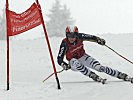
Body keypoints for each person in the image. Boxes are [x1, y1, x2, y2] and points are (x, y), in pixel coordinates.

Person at [57, 26, 132, 83]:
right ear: (66, 35)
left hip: (83, 57)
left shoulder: (80, 36)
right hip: (73, 62)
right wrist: (64, 64)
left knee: (100, 68)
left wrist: (99, 40)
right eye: (69, 36)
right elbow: (59, 58)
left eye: (73, 36)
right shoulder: (65, 43)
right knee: (76, 62)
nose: (71, 38)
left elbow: (92, 37)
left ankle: (121, 75)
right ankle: (91, 75)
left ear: (76, 35)